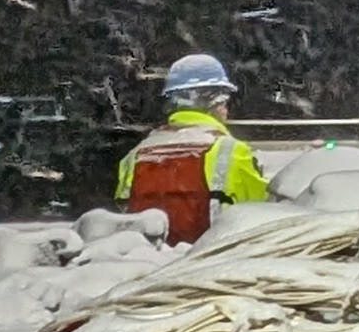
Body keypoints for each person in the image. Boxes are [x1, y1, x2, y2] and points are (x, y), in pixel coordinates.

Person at [114, 52, 269, 243]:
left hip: (150, 265)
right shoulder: (233, 152)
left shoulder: (137, 154)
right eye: (224, 102)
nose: (226, 110)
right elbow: (262, 215)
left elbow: (124, 218)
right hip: (211, 264)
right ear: (211, 102)